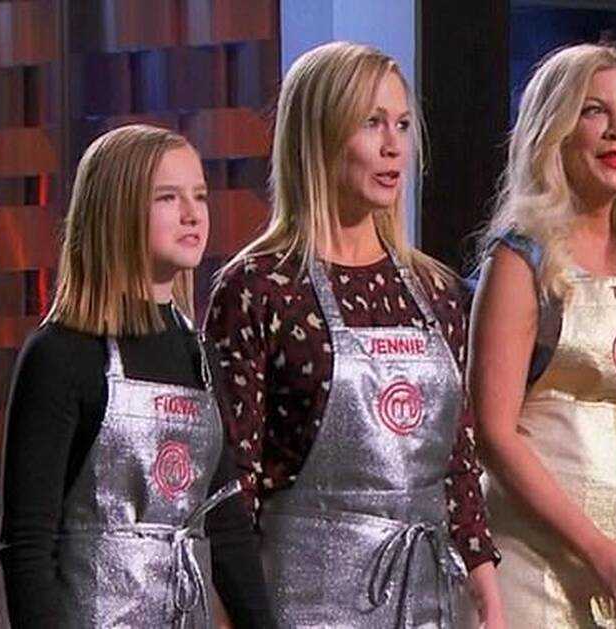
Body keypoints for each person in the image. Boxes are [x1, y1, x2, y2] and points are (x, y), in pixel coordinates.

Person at [204, 41, 502, 627]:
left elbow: (457, 459)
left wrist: (486, 583)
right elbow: (234, 485)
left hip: (425, 602)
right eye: (371, 123)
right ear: (319, 136)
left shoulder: (436, 290)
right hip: (298, 604)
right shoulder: (258, 288)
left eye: (403, 125)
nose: (394, 146)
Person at [468, 42, 616, 627]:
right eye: (594, 111)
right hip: (538, 569)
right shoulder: (520, 260)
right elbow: (493, 435)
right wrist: (598, 551)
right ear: (554, 130)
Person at [0, 124, 264, 627]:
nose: (192, 214)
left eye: (200, 195)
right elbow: (27, 547)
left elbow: (228, 529)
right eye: (168, 197)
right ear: (115, 213)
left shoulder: (199, 354)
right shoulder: (60, 355)